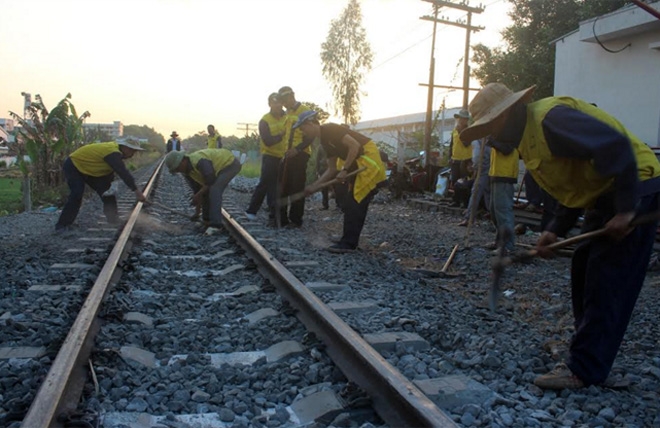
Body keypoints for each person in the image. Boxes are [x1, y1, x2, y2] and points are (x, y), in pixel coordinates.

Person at [460, 82, 660, 390]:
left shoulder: (552, 119)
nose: (491, 134)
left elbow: (615, 147)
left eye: (491, 124)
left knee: (607, 279)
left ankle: (585, 368)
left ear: (509, 112)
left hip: (635, 187)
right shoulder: (528, 136)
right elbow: (572, 184)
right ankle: (589, 354)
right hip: (604, 194)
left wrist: (626, 209)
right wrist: (555, 230)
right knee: (583, 271)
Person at [294, 111, 387, 253]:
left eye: (303, 128)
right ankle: (348, 238)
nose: (303, 132)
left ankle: (349, 243)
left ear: (310, 123)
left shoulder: (330, 129)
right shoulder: (325, 141)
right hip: (358, 166)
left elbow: (354, 146)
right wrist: (314, 186)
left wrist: (344, 170)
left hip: (368, 163)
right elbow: (331, 169)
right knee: (351, 202)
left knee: (355, 202)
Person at [55, 140, 146, 231]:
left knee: (108, 193)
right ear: (125, 148)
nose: (132, 154)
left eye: (134, 152)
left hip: (91, 170)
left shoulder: (115, 153)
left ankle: (113, 220)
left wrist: (109, 185)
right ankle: (62, 225)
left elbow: (109, 173)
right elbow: (123, 172)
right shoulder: (112, 153)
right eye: (132, 151)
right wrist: (137, 192)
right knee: (77, 193)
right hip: (74, 166)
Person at [165, 148, 241, 229]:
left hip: (229, 163)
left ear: (183, 161)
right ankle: (206, 220)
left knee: (215, 189)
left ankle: (216, 225)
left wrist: (198, 194)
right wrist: (197, 213)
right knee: (205, 192)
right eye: (176, 170)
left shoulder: (199, 161)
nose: (178, 171)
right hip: (219, 169)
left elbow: (210, 181)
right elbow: (199, 191)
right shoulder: (188, 173)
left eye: (177, 168)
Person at [245, 93, 287, 223]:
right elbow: (268, 141)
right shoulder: (265, 120)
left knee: (279, 186)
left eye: (279, 102)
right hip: (270, 157)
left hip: (284, 157)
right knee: (265, 184)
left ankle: (274, 214)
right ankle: (251, 211)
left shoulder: (288, 117)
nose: (277, 105)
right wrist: (281, 135)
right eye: (274, 103)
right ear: (269, 104)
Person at [277, 86, 313, 228]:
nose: (284, 104)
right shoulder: (287, 113)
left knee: (296, 187)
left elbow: (311, 136)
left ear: (291, 96)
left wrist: (297, 149)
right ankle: (281, 219)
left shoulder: (304, 110)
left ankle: (296, 220)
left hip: (300, 155)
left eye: (285, 100)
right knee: (283, 186)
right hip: (286, 155)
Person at [485, 136, 519, 253]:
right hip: (496, 173)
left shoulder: (511, 132)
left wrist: (492, 141)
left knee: (503, 211)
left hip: (505, 175)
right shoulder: (501, 132)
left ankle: (507, 246)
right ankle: (500, 241)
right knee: (494, 211)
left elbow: (507, 149)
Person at [458, 138, 491, 227]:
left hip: (483, 170)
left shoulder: (476, 142)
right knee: (489, 192)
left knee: (476, 193)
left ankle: (468, 218)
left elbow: (476, 158)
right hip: (493, 169)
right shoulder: (491, 140)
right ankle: (492, 214)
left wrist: (475, 167)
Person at [449, 109, 474, 205]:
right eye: (459, 118)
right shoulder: (454, 130)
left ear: (466, 120)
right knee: (455, 181)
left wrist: (461, 133)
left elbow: (467, 143)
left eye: (462, 118)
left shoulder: (469, 130)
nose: (460, 120)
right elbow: (452, 144)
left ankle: (465, 201)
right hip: (455, 159)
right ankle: (456, 200)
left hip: (466, 159)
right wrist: (450, 157)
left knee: (465, 181)